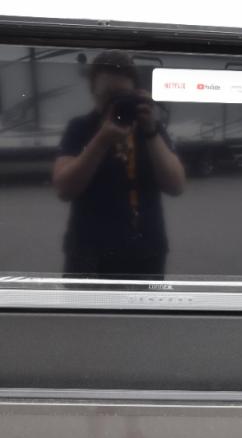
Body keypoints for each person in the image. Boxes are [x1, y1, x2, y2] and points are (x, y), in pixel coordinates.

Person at [52, 51, 186, 277]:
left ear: (135, 93)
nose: (114, 103)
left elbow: (176, 186)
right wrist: (101, 141)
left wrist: (151, 131)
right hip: (89, 255)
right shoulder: (81, 127)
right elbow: (64, 189)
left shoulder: (149, 128)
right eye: (107, 96)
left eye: (122, 95)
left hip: (146, 253)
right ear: (93, 92)